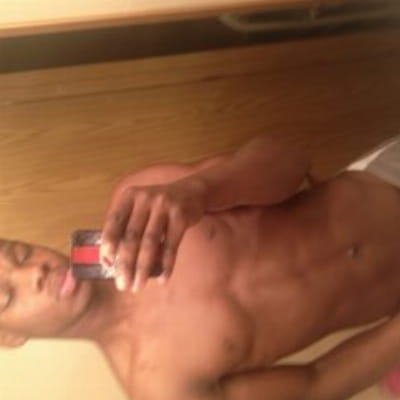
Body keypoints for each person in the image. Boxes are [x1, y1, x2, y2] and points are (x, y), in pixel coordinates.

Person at [1, 134, 400, 400]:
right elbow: (318, 384)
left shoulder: (139, 199)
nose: (34, 272)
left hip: (386, 181)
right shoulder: (162, 387)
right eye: (7, 296)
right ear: (8, 337)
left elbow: (293, 160)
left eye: (19, 253)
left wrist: (202, 190)